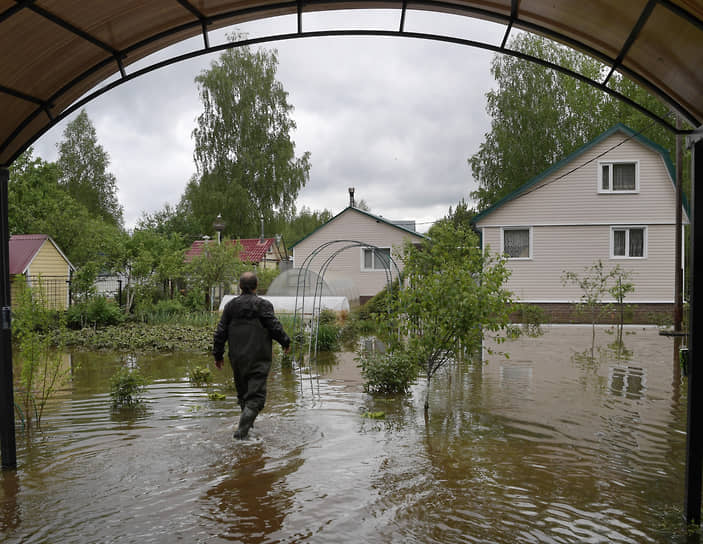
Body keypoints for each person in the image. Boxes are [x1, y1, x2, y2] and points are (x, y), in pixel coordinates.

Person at [213, 271, 291, 439]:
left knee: (244, 396)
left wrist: (218, 355)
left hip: (237, 359)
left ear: (240, 287)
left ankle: (248, 431)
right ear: (256, 286)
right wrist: (285, 341)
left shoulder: (230, 306)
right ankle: (241, 435)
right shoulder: (263, 305)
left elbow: (220, 332)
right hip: (258, 359)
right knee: (256, 399)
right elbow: (274, 326)